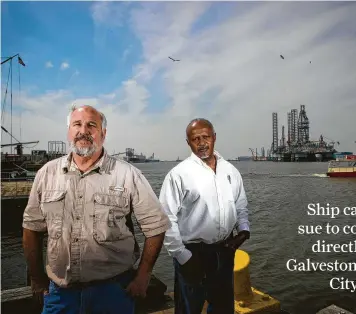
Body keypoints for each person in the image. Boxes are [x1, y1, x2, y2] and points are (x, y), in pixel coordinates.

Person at [22, 105, 171, 314]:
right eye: (77, 124)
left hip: (114, 293)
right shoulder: (47, 174)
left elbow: (156, 226)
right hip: (60, 294)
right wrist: (37, 280)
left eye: (92, 125)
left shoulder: (128, 175)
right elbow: (31, 228)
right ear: (69, 131)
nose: (84, 130)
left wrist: (143, 276)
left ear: (103, 133)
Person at [159, 118, 251, 314]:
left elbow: (240, 204)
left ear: (214, 138)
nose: (201, 143)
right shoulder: (179, 175)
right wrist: (182, 256)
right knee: (189, 308)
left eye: (206, 137)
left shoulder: (230, 171)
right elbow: (166, 218)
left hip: (225, 251)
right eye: (195, 139)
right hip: (193, 253)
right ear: (188, 142)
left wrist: (243, 231)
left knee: (223, 307)